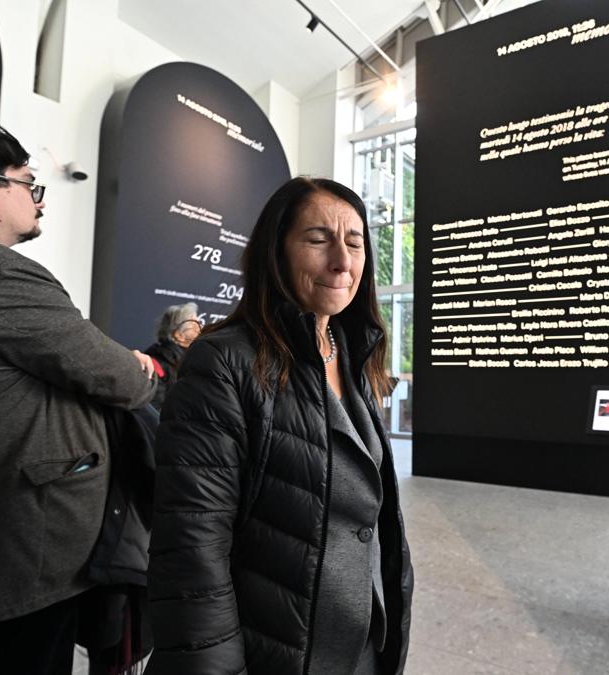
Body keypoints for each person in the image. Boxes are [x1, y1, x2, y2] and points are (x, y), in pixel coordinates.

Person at [147, 177, 414, 674]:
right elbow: (194, 544)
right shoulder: (225, 360)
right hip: (279, 650)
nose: (342, 261)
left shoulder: (355, 355)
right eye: (318, 240)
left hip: (362, 645)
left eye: (354, 243)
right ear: (276, 252)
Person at [0, 109, 157, 675]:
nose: (39, 198)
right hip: (2, 558)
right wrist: (135, 364)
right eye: (29, 183)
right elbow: (121, 378)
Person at [144, 301, 202, 410]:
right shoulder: (155, 365)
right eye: (194, 325)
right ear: (179, 335)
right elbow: (154, 411)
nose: (200, 328)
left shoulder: (196, 359)